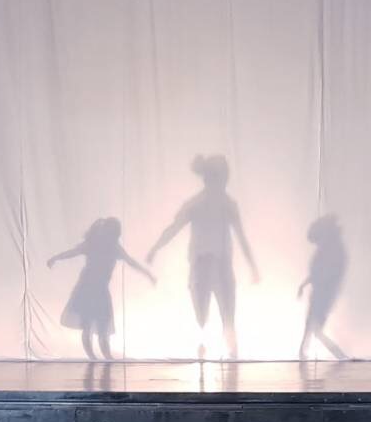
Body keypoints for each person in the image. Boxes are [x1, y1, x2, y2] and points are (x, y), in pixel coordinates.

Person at [146, 153, 259, 360]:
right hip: (210, 265)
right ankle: (222, 355)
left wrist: (155, 248)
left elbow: (174, 228)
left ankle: (220, 355)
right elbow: (174, 228)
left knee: (210, 316)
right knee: (217, 316)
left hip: (209, 265)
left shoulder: (205, 203)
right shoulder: (217, 203)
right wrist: (155, 248)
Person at [48, 217, 155, 360]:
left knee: (101, 326)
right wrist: (55, 257)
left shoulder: (113, 247)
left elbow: (131, 262)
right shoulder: (94, 244)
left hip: (98, 290)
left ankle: (106, 356)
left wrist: (147, 274)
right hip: (86, 288)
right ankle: (96, 356)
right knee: (89, 325)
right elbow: (72, 252)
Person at [297, 215, 347, 360]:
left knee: (316, 329)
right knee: (310, 325)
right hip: (319, 292)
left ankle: (340, 355)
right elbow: (316, 273)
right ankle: (302, 353)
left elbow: (327, 274)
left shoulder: (335, 251)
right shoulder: (325, 249)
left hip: (324, 294)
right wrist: (304, 285)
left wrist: (312, 284)